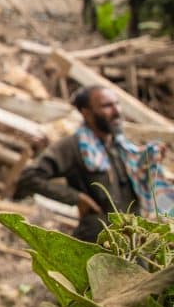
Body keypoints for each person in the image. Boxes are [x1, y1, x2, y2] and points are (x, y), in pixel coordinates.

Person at [14, 85, 171, 242]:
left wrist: (146, 161)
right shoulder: (73, 146)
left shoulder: (122, 147)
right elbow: (30, 177)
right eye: (107, 106)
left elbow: (139, 184)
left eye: (116, 104)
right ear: (86, 113)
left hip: (131, 241)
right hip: (96, 241)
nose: (116, 112)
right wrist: (76, 198)